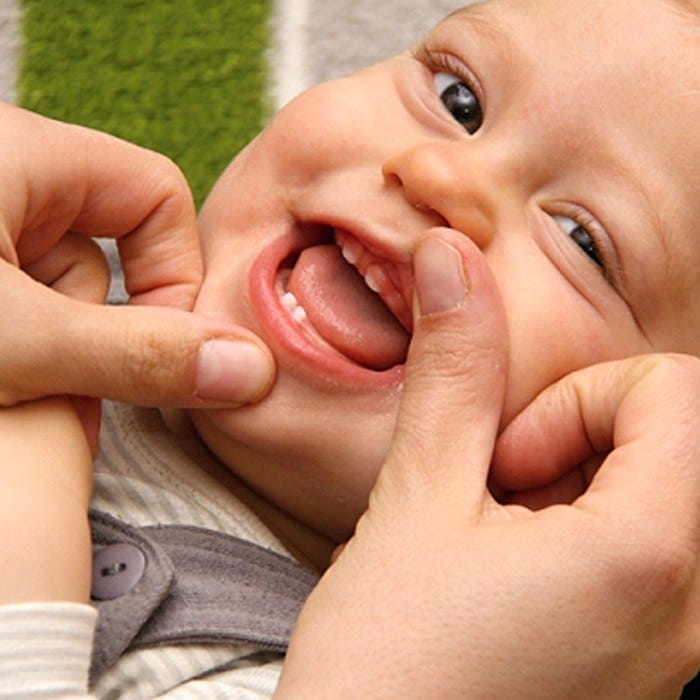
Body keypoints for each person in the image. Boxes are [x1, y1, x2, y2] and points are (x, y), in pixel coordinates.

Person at [1, 0, 699, 697]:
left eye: (581, 240)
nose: (444, 177)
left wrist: (27, 469)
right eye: (459, 98)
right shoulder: (43, 273)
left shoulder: (313, 674)